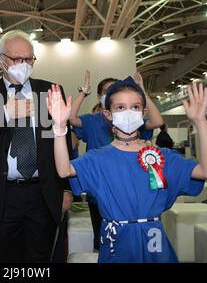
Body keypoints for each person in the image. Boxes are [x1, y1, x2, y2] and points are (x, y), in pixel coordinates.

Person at [48, 79, 207, 262]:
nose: (128, 112)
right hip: (117, 242)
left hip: (155, 243)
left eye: (135, 107)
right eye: (120, 107)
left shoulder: (161, 156)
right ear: (108, 114)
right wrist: (59, 128)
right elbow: (64, 170)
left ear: (144, 112)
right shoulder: (97, 158)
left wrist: (200, 122)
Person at [0, 30, 72, 263]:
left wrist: (67, 188)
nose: (24, 64)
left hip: (43, 192)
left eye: (29, 59)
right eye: (17, 59)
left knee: (41, 259)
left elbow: (64, 141)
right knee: (5, 258)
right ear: (0, 59)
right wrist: (5, 113)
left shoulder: (50, 91)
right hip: (2, 195)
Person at [69, 71, 163, 251]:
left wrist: (142, 91)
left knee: (137, 234)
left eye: (115, 88)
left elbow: (157, 120)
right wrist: (83, 92)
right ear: (100, 97)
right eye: (106, 90)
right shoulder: (92, 120)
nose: (111, 91)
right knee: (103, 236)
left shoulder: (133, 121)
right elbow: (71, 119)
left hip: (131, 185)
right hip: (100, 187)